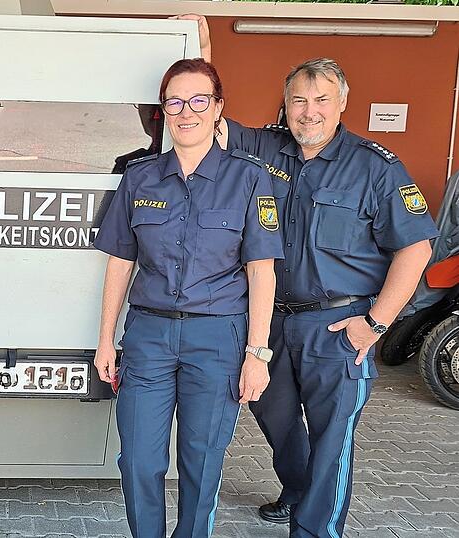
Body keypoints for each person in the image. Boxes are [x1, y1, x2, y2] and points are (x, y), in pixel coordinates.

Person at [188, 14, 438, 537]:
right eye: (299, 100)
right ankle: (299, 491)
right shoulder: (264, 149)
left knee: (332, 437)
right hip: (270, 324)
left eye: (321, 99)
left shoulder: (375, 167)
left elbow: (416, 248)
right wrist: (201, 44)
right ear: (286, 104)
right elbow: (207, 116)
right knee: (274, 416)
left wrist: (374, 325)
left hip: (338, 325)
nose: (309, 111)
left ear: (342, 103)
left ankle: (315, 528)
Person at [93, 58, 282, 537]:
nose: (186, 112)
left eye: (199, 100)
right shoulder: (139, 177)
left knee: (202, 461)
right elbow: (120, 262)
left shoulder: (249, 178)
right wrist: (105, 339)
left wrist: (257, 353)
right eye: (175, 102)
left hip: (217, 339)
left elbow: (261, 270)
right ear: (163, 112)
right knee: (138, 459)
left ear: (218, 108)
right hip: (149, 336)